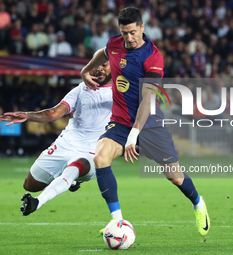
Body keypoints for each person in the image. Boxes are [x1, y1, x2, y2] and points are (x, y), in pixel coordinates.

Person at [80, 7, 210, 237]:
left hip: (149, 124)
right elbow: (104, 52)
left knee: (174, 176)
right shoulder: (115, 43)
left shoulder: (153, 56)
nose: (129, 38)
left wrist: (134, 135)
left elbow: (148, 98)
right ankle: (117, 222)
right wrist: (85, 70)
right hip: (120, 121)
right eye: (124, 33)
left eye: (133, 32)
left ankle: (199, 204)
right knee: (100, 157)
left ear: (142, 27)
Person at [0, 62, 112, 216]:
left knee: (76, 167)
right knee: (30, 184)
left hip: (93, 150)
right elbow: (53, 113)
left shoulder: (120, 92)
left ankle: (37, 202)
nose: (100, 68)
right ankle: (72, 179)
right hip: (66, 143)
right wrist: (27, 115)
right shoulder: (81, 89)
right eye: (97, 65)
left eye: (104, 65)